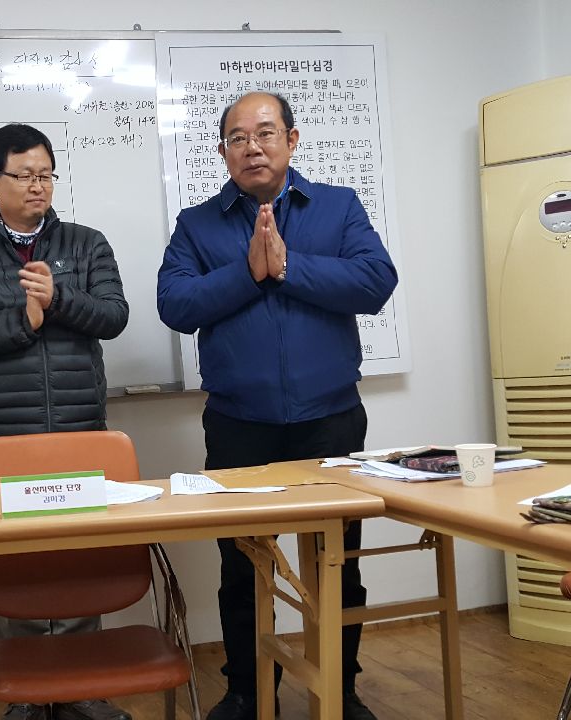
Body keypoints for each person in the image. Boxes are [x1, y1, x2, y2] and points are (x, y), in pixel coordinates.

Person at [157, 92, 398, 720]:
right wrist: (248, 271)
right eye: (238, 138)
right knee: (243, 566)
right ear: (223, 152)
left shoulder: (338, 207)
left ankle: (341, 690)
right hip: (239, 425)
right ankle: (246, 690)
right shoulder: (198, 224)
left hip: (330, 419)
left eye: (265, 133)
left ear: (292, 140)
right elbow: (175, 305)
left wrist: (288, 266)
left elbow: (376, 282)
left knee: (336, 562)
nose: (253, 147)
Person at [0, 123, 130, 720]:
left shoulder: (87, 243)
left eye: (45, 174)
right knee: (16, 563)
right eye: (23, 175)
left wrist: (59, 298)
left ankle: (81, 689)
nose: (37, 186)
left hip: (81, 427)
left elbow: (114, 316)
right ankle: (24, 691)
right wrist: (24, 320)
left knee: (80, 560)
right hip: (5, 437)